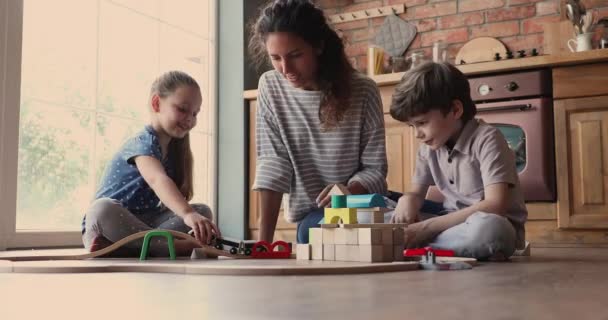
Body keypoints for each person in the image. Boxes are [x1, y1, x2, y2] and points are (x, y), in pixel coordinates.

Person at [248, 0, 388, 244]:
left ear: (319, 46)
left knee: (420, 212)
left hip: (359, 203)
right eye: (276, 58)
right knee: (313, 231)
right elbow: (273, 164)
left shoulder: (364, 90)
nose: (285, 68)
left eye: (295, 55)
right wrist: (265, 244)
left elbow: (375, 169)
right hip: (314, 217)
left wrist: (347, 191)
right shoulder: (270, 86)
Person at [389, 61, 527, 260]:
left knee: (491, 230)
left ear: (455, 110)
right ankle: (430, 245)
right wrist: (408, 199)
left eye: (421, 123)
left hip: (489, 226)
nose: (417, 134)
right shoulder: (428, 147)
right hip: (448, 225)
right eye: (411, 126)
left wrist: (426, 228)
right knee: (378, 214)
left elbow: (495, 205)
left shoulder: (488, 139)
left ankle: (419, 244)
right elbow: (416, 193)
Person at [82, 70, 220, 257]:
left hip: (145, 225)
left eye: (195, 113)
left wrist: (193, 216)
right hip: (107, 224)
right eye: (182, 109)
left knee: (203, 211)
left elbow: (168, 204)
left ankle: (128, 248)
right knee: (102, 208)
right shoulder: (142, 141)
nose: (190, 118)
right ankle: (172, 247)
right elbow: (157, 179)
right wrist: (187, 214)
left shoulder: (174, 151)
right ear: (156, 103)